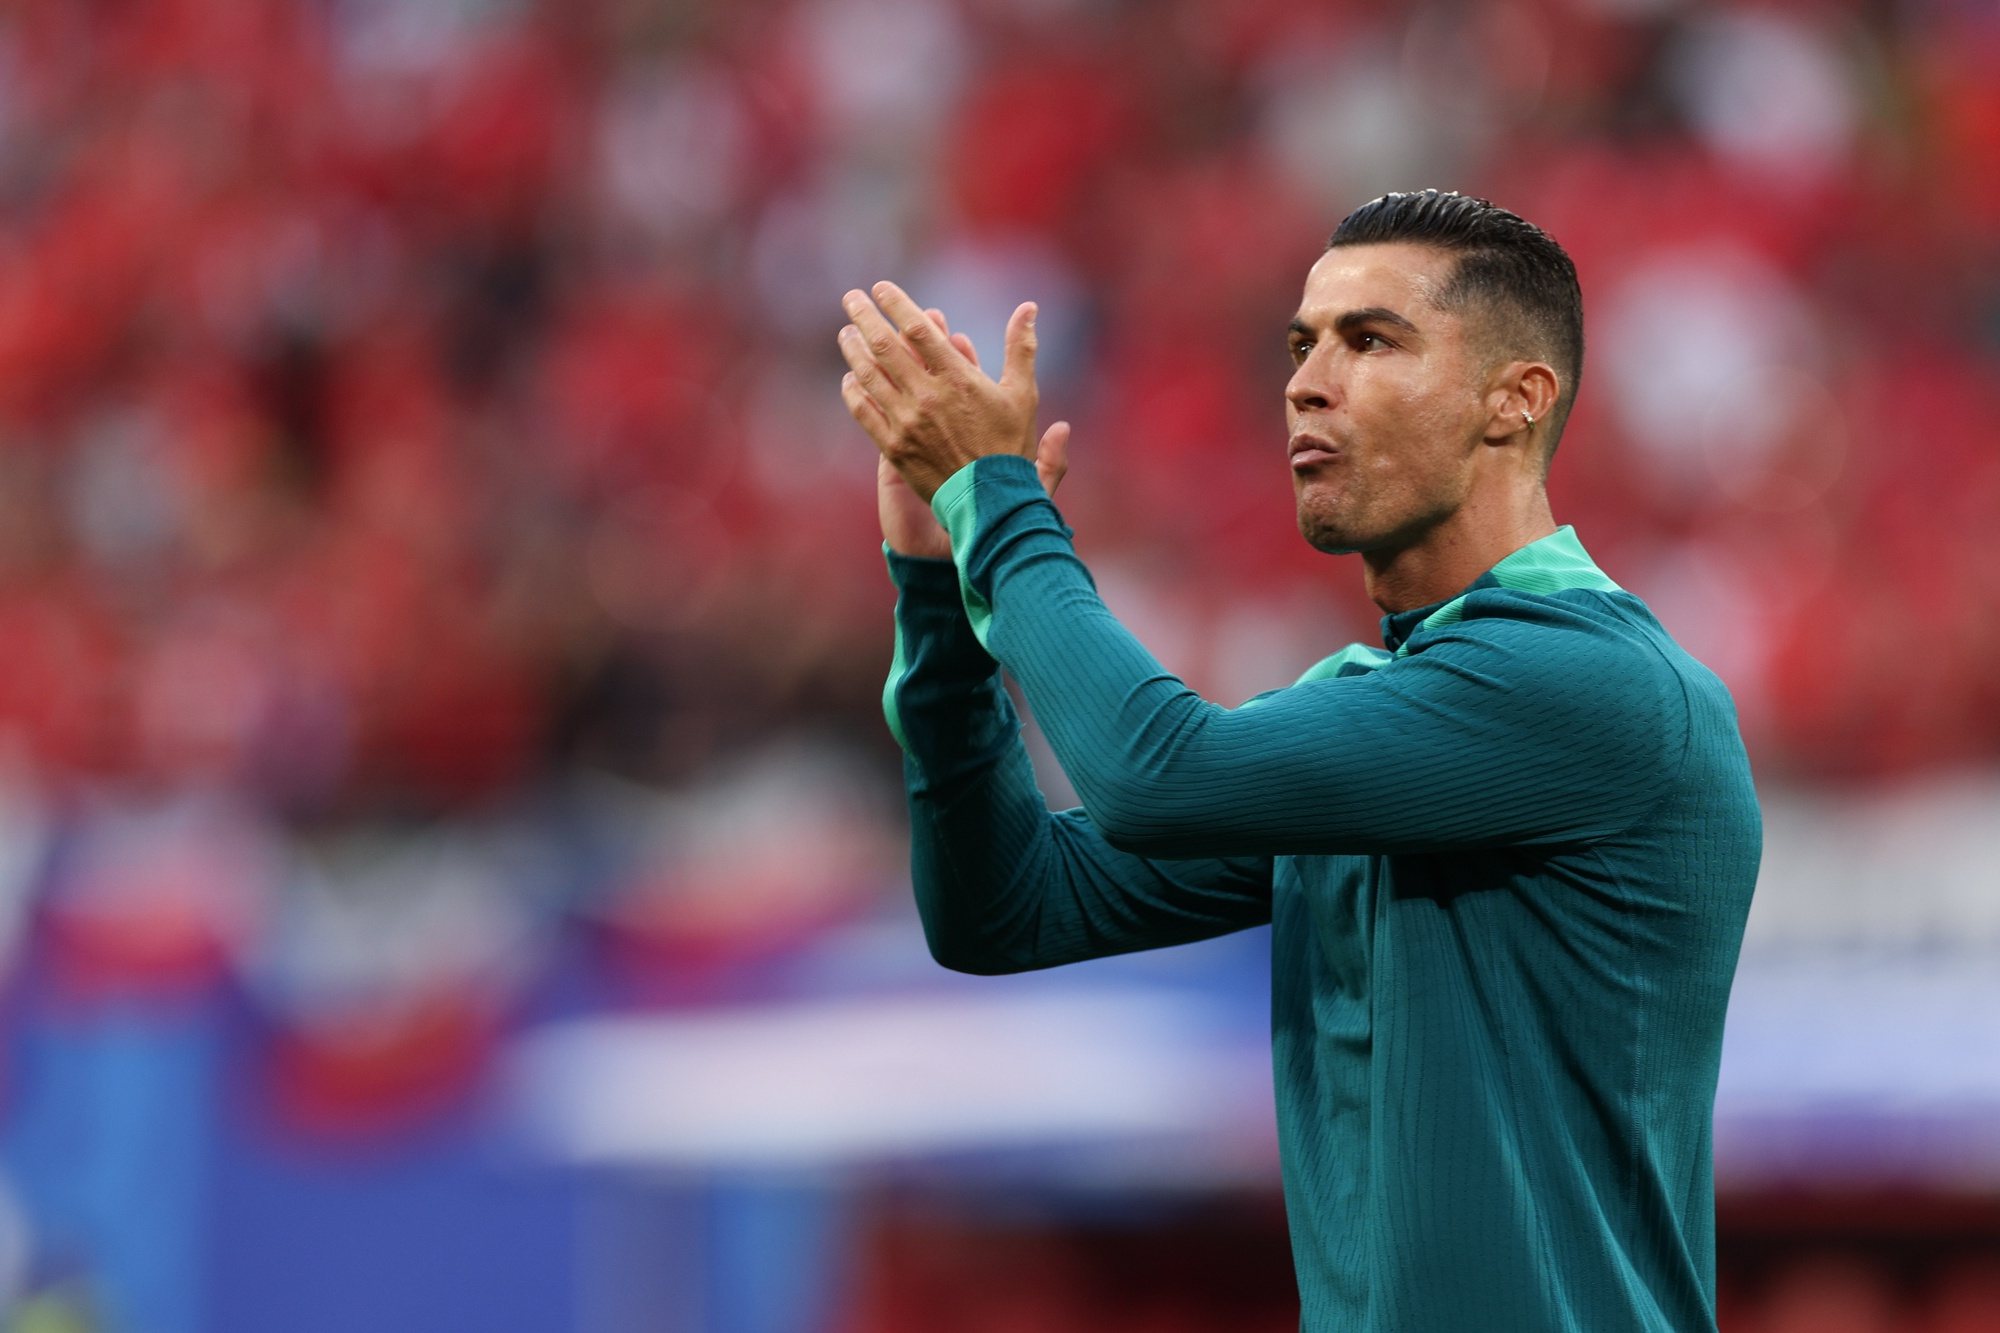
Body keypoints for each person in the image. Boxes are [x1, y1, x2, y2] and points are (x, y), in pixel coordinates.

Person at [836, 190, 1760, 1333]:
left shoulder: (1592, 687)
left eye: (1369, 341)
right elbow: (1008, 907)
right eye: (1299, 345)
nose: (1305, 382)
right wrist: (936, 590)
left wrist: (999, 507)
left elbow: (1155, 774)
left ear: (1513, 402)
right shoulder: (1391, 709)